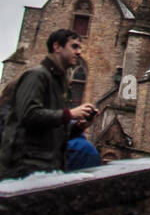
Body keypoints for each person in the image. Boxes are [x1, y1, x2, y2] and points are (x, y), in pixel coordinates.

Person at [0, 29, 98, 181]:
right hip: (25, 168)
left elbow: (50, 130)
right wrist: (70, 114)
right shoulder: (37, 76)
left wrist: (78, 127)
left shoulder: (60, 83)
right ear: (57, 47)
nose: (79, 52)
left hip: (46, 168)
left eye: (80, 48)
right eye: (74, 47)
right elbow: (28, 115)